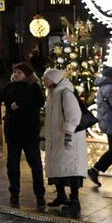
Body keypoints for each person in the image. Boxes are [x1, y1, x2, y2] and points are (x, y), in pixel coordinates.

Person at [0, 63, 45, 209]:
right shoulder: (10, 86)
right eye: (14, 72)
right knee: (12, 165)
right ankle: (14, 193)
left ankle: (40, 195)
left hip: (29, 132)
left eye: (19, 72)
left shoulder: (33, 87)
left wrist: (21, 103)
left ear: (26, 74)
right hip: (13, 132)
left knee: (35, 164)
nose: (16, 74)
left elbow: (39, 102)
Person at [41, 68, 87, 213]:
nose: (44, 81)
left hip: (67, 138)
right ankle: (61, 195)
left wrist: (68, 133)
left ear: (54, 79)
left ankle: (75, 201)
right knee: (57, 167)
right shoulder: (52, 95)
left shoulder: (65, 94)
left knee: (71, 169)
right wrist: (44, 136)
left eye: (46, 78)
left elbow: (74, 115)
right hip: (55, 138)